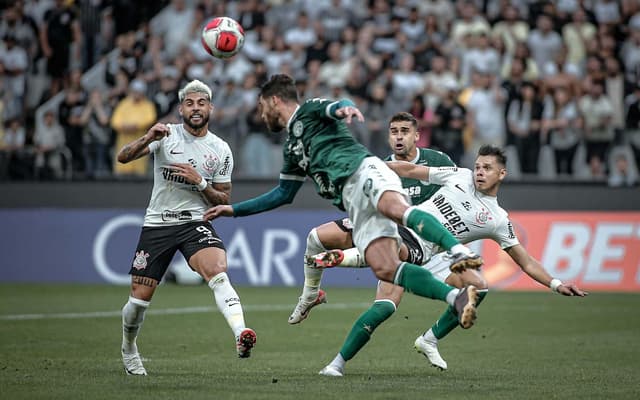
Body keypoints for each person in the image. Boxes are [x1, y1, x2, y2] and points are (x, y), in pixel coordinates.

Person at [204, 73, 484, 339]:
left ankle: (457, 251)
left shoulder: (310, 109)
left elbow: (338, 106)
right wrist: (235, 210)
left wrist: (346, 109)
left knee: (395, 208)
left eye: (262, 105)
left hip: (365, 171)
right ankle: (455, 298)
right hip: (353, 202)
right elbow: (282, 194)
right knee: (385, 268)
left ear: (275, 100)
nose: (261, 113)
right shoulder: (292, 149)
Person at [313, 145, 588, 376]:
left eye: (487, 168)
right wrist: (368, 166)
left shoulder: (498, 220)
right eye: (478, 166)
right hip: (406, 232)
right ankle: (336, 364)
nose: (480, 172)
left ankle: (428, 340)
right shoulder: (460, 176)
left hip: (438, 254)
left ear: (502, 174)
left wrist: (556, 284)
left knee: (478, 287)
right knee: (385, 307)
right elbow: (409, 169)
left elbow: (526, 262)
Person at [116, 79, 256, 376]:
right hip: (158, 223)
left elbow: (223, 198)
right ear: (181, 108)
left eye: (201, 103)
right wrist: (146, 138)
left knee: (218, 270)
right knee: (139, 300)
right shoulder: (164, 135)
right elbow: (123, 157)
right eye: (190, 103)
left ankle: (241, 333)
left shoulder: (220, 149)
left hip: (194, 222)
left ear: (210, 108)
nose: (195, 108)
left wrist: (200, 181)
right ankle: (129, 348)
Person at [287, 111, 456, 325]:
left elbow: (457, 194)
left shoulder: (437, 160)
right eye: (394, 132)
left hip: (423, 241)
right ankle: (310, 295)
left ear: (416, 135)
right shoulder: (379, 167)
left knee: (471, 286)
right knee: (316, 237)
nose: (399, 137)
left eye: (405, 131)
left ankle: (432, 337)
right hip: (386, 229)